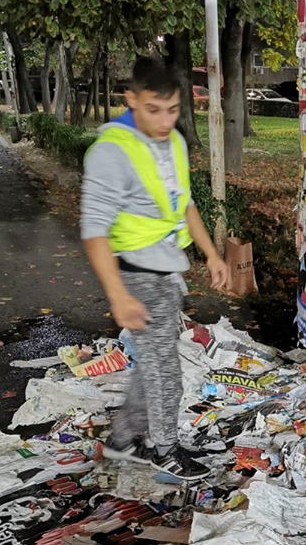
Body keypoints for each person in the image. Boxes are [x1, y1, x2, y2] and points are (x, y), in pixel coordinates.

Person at [81, 56, 227, 481]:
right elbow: (94, 230)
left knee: (152, 363)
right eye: (153, 110)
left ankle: (123, 439)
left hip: (165, 270)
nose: (164, 121)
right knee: (165, 371)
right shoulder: (112, 152)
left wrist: (212, 254)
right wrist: (118, 295)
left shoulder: (173, 142)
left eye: (173, 110)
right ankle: (165, 450)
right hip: (136, 274)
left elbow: (184, 203)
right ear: (131, 99)